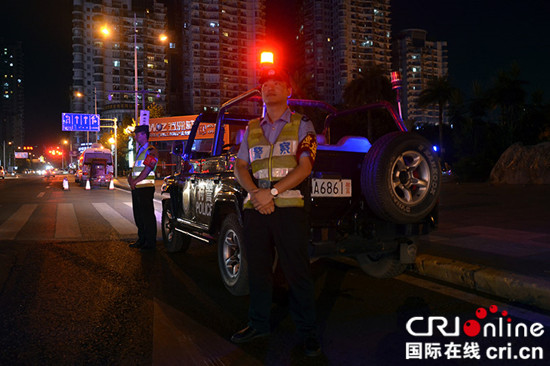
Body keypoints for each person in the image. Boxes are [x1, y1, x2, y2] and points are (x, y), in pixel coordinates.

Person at [231, 67, 321, 357]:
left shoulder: (302, 124)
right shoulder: (251, 128)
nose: (270, 88)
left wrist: (270, 193)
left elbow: (305, 167)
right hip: (256, 207)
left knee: (297, 272)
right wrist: (255, 194)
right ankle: (258, 324)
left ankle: (307, 333)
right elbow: (240, 166)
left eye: (277, 84)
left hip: (289, 208)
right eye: (265, 84)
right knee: (258, 271)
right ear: (261, 93)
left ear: (288, 90)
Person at [128, 124, 159, 252]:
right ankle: (141, 239)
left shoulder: (152, 150)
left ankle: (150, 242)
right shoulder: (140, 150)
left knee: (147, 216)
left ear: (144, 135)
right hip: (137, 188)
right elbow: (136, 168)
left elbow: (147, 169)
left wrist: (135, 181)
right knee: (139, 216)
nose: (135, 136)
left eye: (137, 134)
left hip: (145, 188)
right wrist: (130, 178)